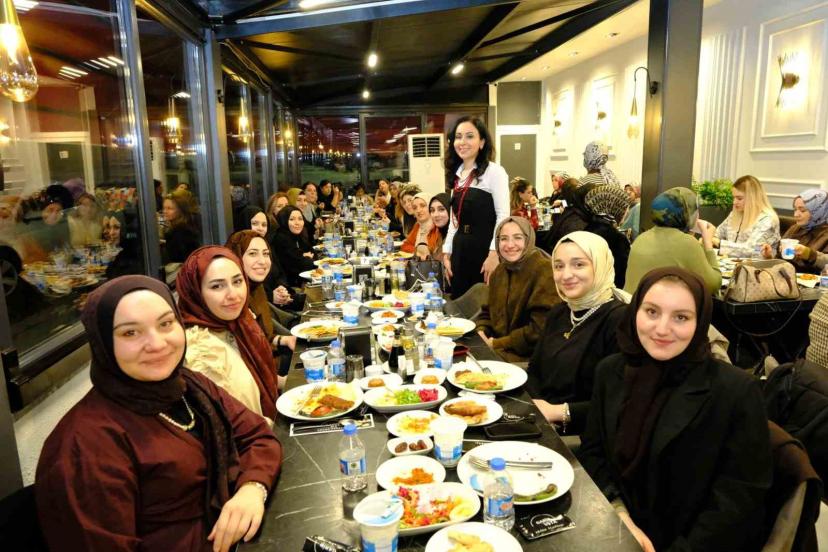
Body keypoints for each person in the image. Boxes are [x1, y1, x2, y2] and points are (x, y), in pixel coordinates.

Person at [35, 275, 282, 552]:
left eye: (165, 324)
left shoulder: (190, 386)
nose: (157, 344)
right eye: (130, 333)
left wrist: (252, 488)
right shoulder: (84, 445)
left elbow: (258, 436)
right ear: (102, 342)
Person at [579, 267, 771, 551]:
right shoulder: (611, 372)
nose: (662, 329)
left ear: (700, 322)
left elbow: (739, 497)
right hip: (616, 527)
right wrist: (619, 514)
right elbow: (593, 452)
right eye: (652, 312)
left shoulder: (735, 392)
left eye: (681, 317)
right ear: (634, 311)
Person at [526, 231, 628, 434]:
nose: (566, 275)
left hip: (581, 434)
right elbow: (534, 370)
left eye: (578, 264)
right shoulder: (559, 312)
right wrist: (536, 406)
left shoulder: (620, 320)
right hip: (538, 419)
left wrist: (558, 412)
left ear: (599, 265)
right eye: (559, 266)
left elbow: (616, 402)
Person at [176, 247, 280, 423]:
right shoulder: (199, 350)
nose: (233, 294)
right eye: (217, 286)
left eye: (237, 281)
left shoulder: (237, 323)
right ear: (195, 292)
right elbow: (235, 425)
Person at [442, 116, 510, 297]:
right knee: (459, 302)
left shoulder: (494, 172)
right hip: (460, 248)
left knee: (482, 303)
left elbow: (503, 216)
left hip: (484, 248)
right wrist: (446, 252)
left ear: (482, 142)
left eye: (470, 136)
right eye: (458, 137)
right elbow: (454, 221)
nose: (462, 142)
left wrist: (494, 253)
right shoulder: (457, 174)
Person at [476, 217, 560, 362]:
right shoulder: (499, 272)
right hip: (497, 349)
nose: (510, 245)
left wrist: (497, 344)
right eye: (504, 239)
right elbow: (488, 311)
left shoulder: (544, 271)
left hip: (529, 358)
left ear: (528, 239)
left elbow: (540, 329)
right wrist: (481, 331)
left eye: (517, 238)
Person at [225, 231, 296, 381]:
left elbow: (264, 336)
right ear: (236, 257)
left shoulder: (256, 288)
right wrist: (282, 382)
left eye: (266, 254)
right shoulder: (231, 299)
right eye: (252, 254)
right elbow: (243, 363)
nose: (262, 261)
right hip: (261, 377)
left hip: (270, 363)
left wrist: (285, 340)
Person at [624, 187, 721, 294]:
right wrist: (707, 241)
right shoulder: (686, 243)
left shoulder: (641, 238)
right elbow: (714, 284)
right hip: (659, 304)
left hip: (635, 303)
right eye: (695, 210)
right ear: (688, 214)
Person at [761, 189, 828, 274]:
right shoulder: (795, 228)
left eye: (802, 210)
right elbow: (783, 262)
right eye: (795, 209)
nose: (795, 215)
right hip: (788, 278)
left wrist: (808, 254)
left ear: (818, 211)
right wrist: (769, 257)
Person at [714, 175, 780, 258]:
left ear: (752, 198)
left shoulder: (767, 219)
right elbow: (717, 234)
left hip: (756, 265)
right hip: (730, 263)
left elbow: (753, 249)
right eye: (733, 198)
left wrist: (719, 244)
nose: (734, 202)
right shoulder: (734, 214)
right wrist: (710, 237)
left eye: (739, 198)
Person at [583, 185, 631, 288]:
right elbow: (621, 277)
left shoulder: (586, 229)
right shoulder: (617, 239)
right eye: (625, 208)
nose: (627, 212)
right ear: (616, 208)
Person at [271, 205, 315, 288]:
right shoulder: (281, 238)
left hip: (301, 282)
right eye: (292, 219)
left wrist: (304, 256)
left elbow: (313, 253)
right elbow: (301, 264)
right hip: (288, 286)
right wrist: (304, 257)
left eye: (300, 219)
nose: (297, 223)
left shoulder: (299, 235)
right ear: (284, 220)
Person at [162, 191, 201, 264]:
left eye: (169, 208)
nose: (165, 211)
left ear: (180, 210)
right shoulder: (185, 227)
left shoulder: (180, 232)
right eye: (164, 208)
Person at [400, 192, 441, 258]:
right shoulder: (418, 226)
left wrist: (419, 252)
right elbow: (405, 246)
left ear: (431, 207)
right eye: (415, 208)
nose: (418, 210)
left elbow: (434, 254)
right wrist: (417, 251)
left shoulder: (438, 227)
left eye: (422, 206)